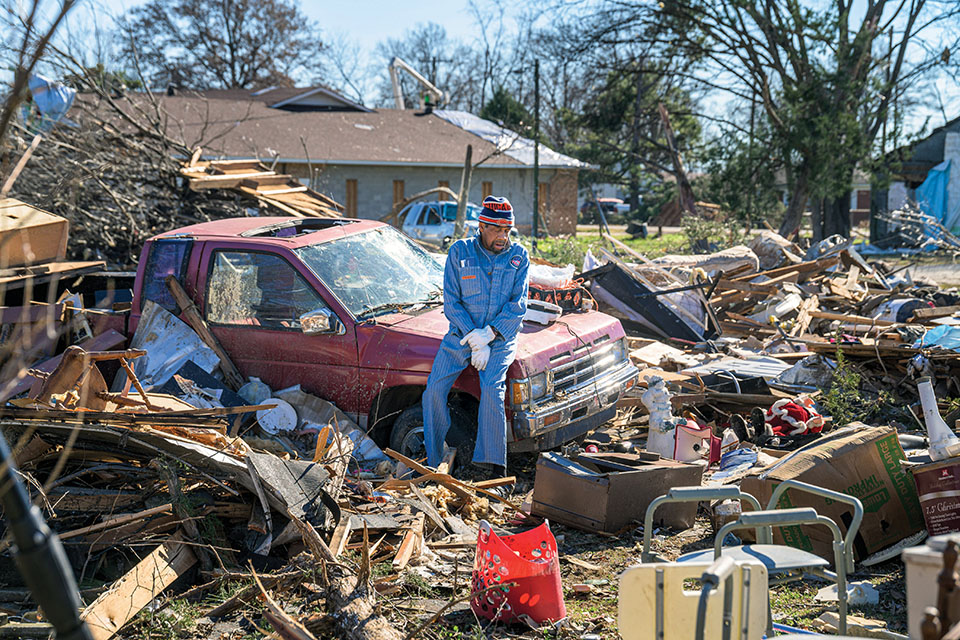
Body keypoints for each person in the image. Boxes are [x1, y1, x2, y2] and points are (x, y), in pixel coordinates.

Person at [422, 195, 529, 478]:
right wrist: (473, 337)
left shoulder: (519, 257)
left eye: (507, 230)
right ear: (481, 225)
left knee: (493, 391)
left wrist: (489, 335)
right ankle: (434, 460)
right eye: (496, 229)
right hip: (460, 335)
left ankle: (493, 467)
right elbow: (451, 302)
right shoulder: (459, 253)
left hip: (500, 338)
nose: (503, 237)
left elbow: (518, 305)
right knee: (433, 389)